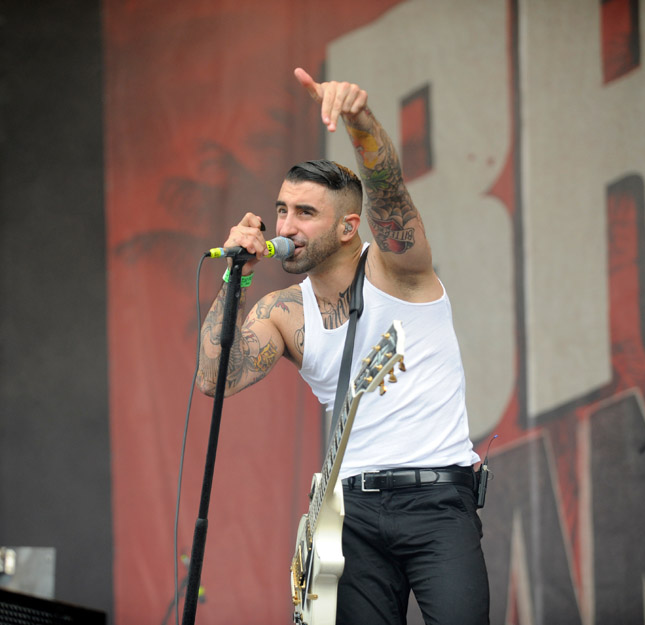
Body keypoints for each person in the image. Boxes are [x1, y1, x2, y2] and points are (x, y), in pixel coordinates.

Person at [197, 67, 489, 625]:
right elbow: (214, 378)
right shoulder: (283, 312)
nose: (287, 224)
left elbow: (390, 195)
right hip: (347, 514)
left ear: (350, 227)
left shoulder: (399, 271)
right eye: (283, 209)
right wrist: (234, 277)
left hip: (436, 502)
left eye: (306, 213)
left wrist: (359, 122)